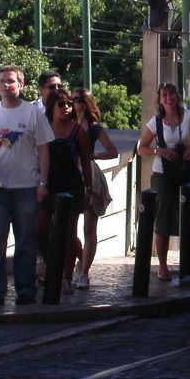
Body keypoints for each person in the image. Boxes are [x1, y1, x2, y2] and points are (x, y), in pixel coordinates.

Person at [0, 66, 53, 306]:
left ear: (21, 85)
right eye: (2, 81)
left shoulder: (33, 113)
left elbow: (43, 149)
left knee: (25, 242)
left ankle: (25, 288)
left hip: (26, 187)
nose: (6, 86)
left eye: (11, 82)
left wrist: (43, 182)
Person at [37, 88, 93, 293]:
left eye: (69, 104)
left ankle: (67, 277)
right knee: (41, 231)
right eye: (61, 104)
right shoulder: (42, 128)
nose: (66, 108)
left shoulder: (78, 132)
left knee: (69, 233)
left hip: (72, 187)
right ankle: (50, 264)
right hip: (47, 185)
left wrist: (88, 188)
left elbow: (86, 162)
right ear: (52, 106)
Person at [136, 83, 190, 282]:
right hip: (163, 173)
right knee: (163, 217)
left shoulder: (189, 117)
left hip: (187, 170)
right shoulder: (155, 122)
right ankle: (162, 265)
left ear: (177, 96)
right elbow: (141, 148)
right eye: (164, 95)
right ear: (160, 100)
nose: (169, 98)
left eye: (172, 94)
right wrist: (160, 151)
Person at [72, 87, 119, 289]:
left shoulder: (94, 127)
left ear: (86, 102)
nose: (73, 102)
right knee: (69, 229)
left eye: (77, 99)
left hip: (89, 175)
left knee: (89, 228)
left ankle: (84, 272)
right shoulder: (65, 123)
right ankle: (79, 259)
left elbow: (113, 151)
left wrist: (95, 156)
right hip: (71, 175)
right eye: (71, 99)